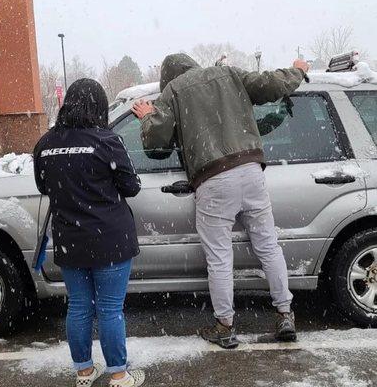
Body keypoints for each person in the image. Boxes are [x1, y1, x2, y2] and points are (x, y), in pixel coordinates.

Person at [132, 54, 309, 349]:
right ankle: (285, 314)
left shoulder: (172, 92)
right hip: (251, 170)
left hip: (213, 179)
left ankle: (225, 326)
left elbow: (157, 141)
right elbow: (269, 84)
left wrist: (149, 116)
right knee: (267, 245)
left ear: (167, 77)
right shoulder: (228, 74)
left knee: (219, 257)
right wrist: (297, 72)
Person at [34, 79, 145, 387]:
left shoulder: (45, 144)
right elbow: (131, 186)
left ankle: (84, 371)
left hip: (70, 241)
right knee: (110, 309)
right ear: (98, 106)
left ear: (67, 103)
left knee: (80, 306)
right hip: (110, 238)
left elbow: (43, 186)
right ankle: (119, 375)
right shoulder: (106, 140)